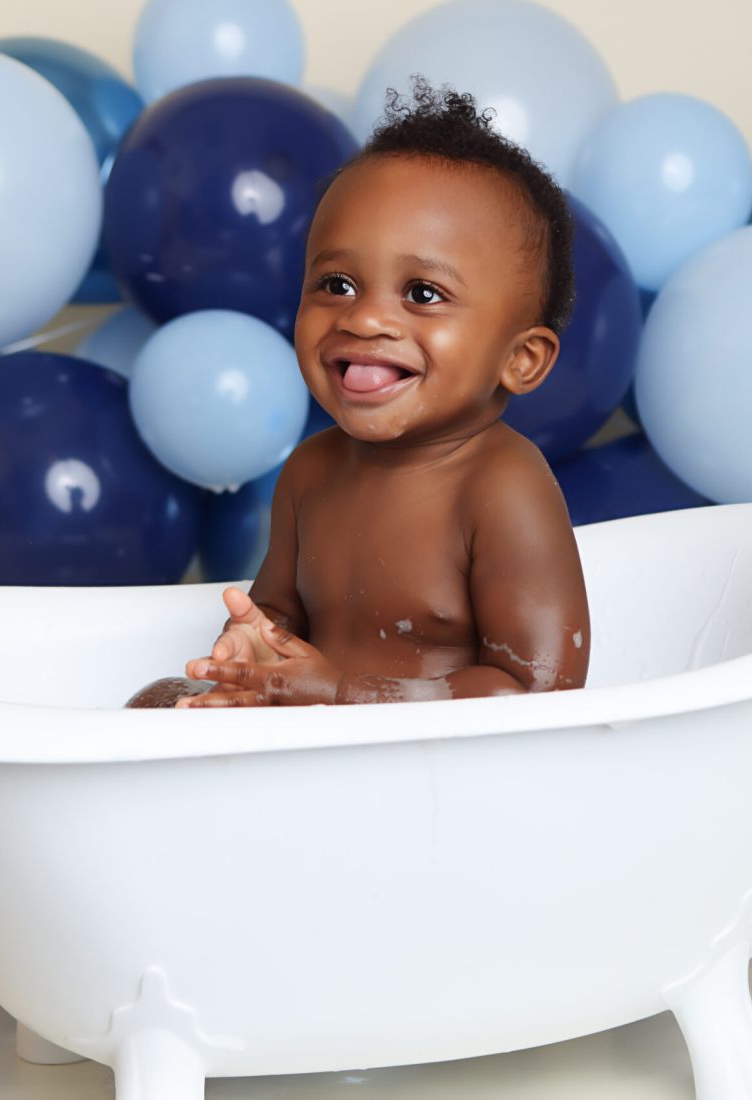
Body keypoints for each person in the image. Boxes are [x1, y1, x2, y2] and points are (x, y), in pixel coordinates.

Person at [127, 79, 590, 709]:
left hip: (435, 769)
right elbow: (278, 612)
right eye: (337, 283)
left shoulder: (503, 487)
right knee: (158, 702)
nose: (365, 319)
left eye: (423, 293)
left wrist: (345, 694)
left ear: (521, 358)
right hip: (319, 742)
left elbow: (540, 688)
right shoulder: (311, 470)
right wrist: (251, 651)